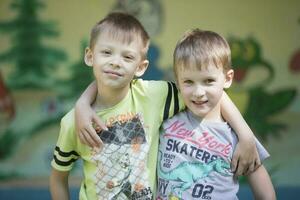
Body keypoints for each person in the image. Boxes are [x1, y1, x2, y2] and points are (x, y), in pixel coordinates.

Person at [50, 12, 259, 200]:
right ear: (90, 56)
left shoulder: (152, 96)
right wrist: (83, 104)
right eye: (107, 52)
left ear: (141, 67)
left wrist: (246, 134)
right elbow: (58, 179)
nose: (115, 62)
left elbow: (207, 90)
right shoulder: (73, 122)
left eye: (127, 56)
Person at [156, 29, 276, 200]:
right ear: (177, 81)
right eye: (188, 81)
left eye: (208, 81)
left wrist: (246, 136)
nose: (198, 92)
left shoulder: (239, 137)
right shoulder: (165, 116)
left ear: (227, 79)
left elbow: (264, 190)